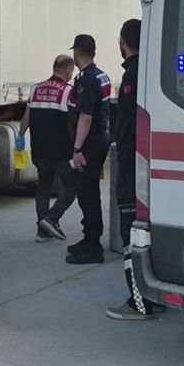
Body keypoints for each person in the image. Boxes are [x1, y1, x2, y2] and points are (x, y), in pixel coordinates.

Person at [105, 19, 160, 319]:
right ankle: (155, 294)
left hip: (132, 170)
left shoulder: (132, 77)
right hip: (149, 169)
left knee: (131, 237)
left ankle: (139, 303)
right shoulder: (149, 72)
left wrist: (124, 170)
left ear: (123, 42)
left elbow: (126, 132)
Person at [16, 55, 79, 243]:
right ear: (68, 72)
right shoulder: (69, 91)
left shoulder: (35, 89)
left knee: (43, 188)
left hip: (39, 151)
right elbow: (74, 122)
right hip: (59, 151)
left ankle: (42, 232)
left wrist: (20, 137)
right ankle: (51, 219)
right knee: (73, 185)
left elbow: (26, 118)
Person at [65, 34, 113, 265]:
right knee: (90, 194)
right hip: (98, 140)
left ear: (77, 52)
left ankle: (93, 246)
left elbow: (85, 117)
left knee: (88, 196)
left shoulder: (86, 80)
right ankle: (89, 239)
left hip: (88, 145)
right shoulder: (100, 75)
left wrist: (77, 149)